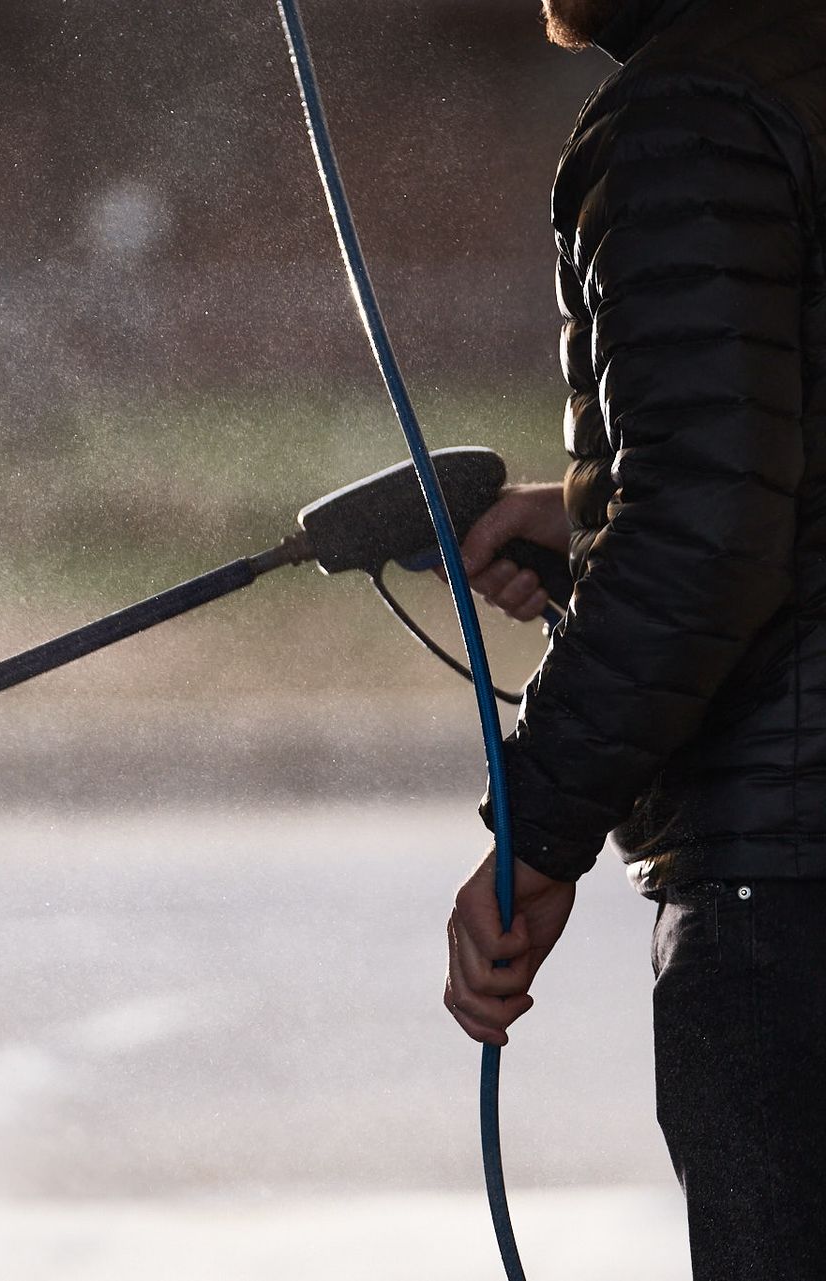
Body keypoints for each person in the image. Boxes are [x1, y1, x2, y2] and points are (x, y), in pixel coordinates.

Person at [442, 0, 826, 1274]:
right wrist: (586, 506)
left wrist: (536, 834)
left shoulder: (689, 115)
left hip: (790, 888)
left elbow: (706, 527)